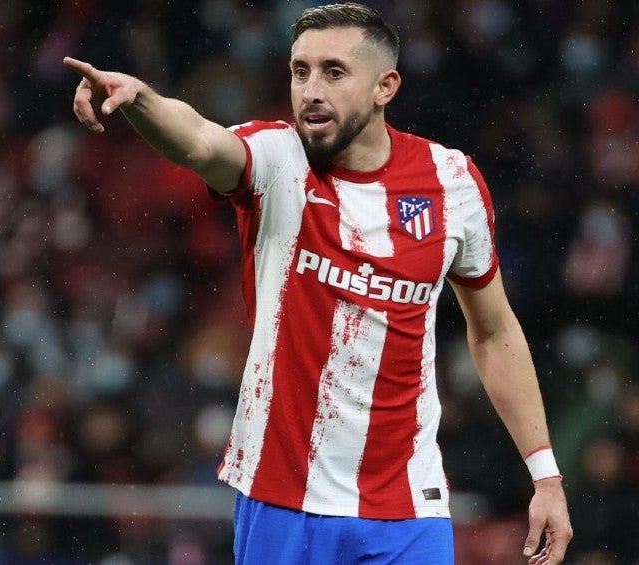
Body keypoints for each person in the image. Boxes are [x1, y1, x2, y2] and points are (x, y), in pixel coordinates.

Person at [64, 3, 572, 563]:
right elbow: (201, 142)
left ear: (384, 87)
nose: (310, 91)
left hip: (408, 506)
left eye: (333, 72)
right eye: (300, 71)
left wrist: (545, 476)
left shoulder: (451, 182)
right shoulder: (276, 159)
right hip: (283, 499)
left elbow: (494, 330)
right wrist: (141, 98)